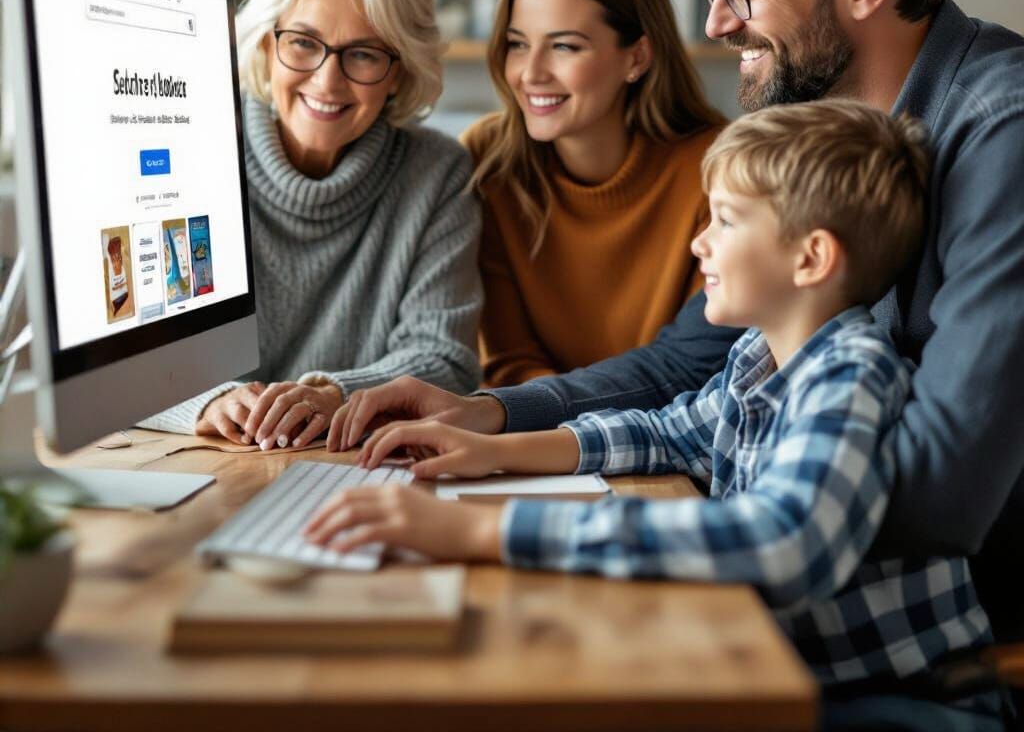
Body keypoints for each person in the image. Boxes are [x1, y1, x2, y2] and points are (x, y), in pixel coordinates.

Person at [329, 0, 1024, 642]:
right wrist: (496, 415)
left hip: (924, 643)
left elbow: (942, 494)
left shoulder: (1005, 133)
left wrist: (606, 531)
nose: (717, 23)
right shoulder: (831, 146)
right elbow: (692, 371)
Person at [309, 101, 1006, 730]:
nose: (701, 241)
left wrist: (479, 530)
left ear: (811, 258)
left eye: (725, 219)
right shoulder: (760, 355)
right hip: (796, 674)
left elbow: (782, 540)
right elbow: (665, 431)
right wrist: (494, 450)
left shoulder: (849, 376)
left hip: (904, 703)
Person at [139, 0, 482, 449]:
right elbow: (131, 353)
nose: (327, 80)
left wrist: (335, 395)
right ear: (264, 43)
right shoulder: (188, 150)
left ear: (399, 71)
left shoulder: (437, 174)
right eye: (302, 42)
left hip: (353, 460)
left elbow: (444, 360)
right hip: (204, 453)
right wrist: (208, 400)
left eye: (363, 54)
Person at [463, 0, 722, 386]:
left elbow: (693, 367)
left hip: (669, 428)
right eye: (518, 44)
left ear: (637, 57)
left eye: (564, 46)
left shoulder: (717, 169)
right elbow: (507, 361)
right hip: (526, 423)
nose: (531, 73)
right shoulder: (488, 160)